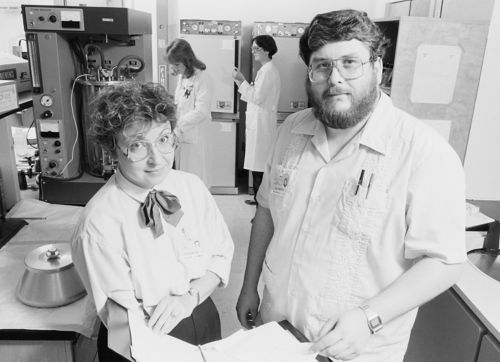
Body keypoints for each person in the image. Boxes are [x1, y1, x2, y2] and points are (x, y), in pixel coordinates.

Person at [236, 9, 466, 362]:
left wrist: (369, 317)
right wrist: (249, 284)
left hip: (354, 349)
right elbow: (266, 209)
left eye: (350, 63)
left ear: (377, 67)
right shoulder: (290, 131)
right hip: (276, 328)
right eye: (322, 65)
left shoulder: (422, 152)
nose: (335, 78)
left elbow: (445, 261)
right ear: (309, 71)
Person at [71, 82, 234, 361]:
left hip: (200, 312)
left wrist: (189, 298)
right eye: (137, 146)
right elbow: (120, 318)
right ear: (113, 150)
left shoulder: (192, 187)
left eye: (163, 139)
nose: (156, 159)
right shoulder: (98, 222)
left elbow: (220, 255)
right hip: (142, 338)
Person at [232, 35, 281, 206]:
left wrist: (241, 80)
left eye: (256, 49)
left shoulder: (268, 71)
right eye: (252, 49)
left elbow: (257, 97)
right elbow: (255, 95)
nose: (253, 52)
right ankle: (258, 199)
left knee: (259, 166)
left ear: (267, 50)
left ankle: (261, 205)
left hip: (262, 126)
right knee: (256, 164)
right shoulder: (265, 70)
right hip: (258, 124)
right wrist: (242, 82)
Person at [166, 38, 213, 186]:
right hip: (183, 136)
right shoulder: (183, 77)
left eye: (177, 64)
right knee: (183, 178)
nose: (175, 68)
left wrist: (179, 126)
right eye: (173, 64)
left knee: (194, 179)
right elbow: (180, 104)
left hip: (195, 138)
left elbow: (201, 111)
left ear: (187, 60)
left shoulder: (202, 78)